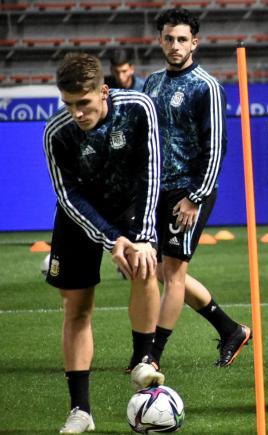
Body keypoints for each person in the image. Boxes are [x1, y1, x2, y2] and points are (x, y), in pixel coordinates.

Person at [44, 52, 165, 433]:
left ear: (104, 91)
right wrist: (111, 239)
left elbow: (152, 170)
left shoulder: (139, 107)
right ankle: (80, 411)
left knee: (145, 266)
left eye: (84, 103)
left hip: (129, 205)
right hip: (80, 217)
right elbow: (69, 197)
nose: (77, 113)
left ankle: (144, 361)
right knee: (77, 309)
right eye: (69, 104)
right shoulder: (56, 133)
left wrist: (142, 235)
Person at [138, 7, 250, 371]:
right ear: (160, 40)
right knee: (158, 270)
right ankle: (231, 329)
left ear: (194, 43)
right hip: (156, 189)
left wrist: (195, 198)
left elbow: (216, 147)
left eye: (182, 39)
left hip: (188, 191)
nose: (174, 45)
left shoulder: (206, 86)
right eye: (169, 38)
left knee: (172, 274)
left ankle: (151, 356)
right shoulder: (152, 82)